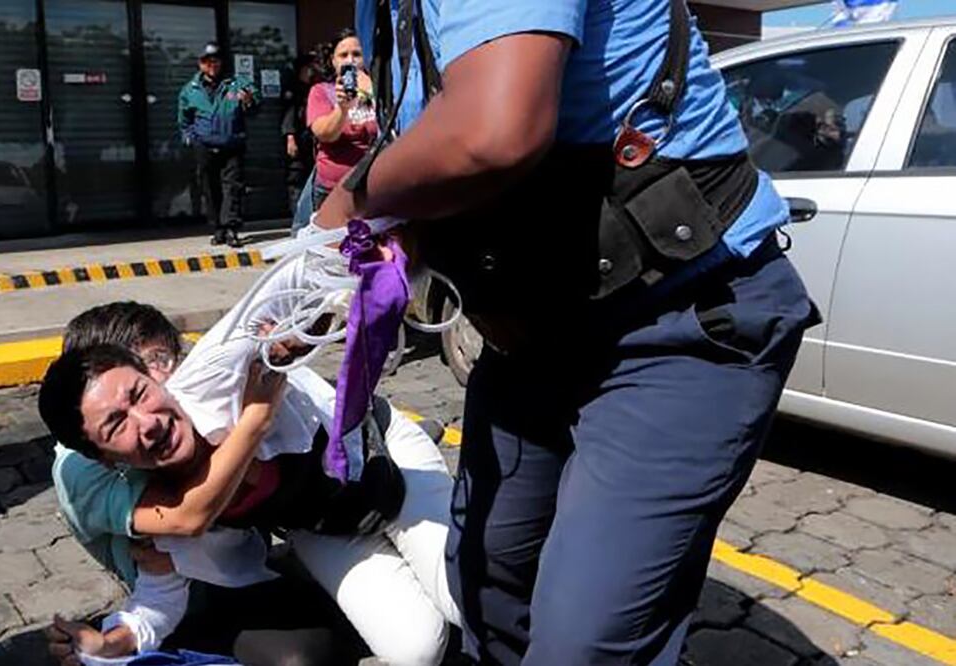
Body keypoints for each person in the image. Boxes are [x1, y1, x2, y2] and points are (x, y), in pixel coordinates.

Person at [315, 0, 821, 664]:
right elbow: (432, 147)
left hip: (674, 320)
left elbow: (490, 132)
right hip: (530, 335)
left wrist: (345, 207)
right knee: (487, 586)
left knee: (584, 645)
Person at [42, 297, 459, 665]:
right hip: (324, 525)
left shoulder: (227, 377)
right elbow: (161, 591)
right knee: (416, 650)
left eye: (159, 365)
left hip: (384, 462)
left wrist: (293, 336)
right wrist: (109, 643)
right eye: (116, 423)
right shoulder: (160, 500)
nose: (148, 420)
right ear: (106, 456)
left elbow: (296, 293)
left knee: (460, 595)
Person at [179, 42, 258, 248]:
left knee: (232, 187)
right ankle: (218, 228)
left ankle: (231, 228)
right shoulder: (190, 89)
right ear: (200, 64)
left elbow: (256, 108)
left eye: (215, 60)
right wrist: (190, 137)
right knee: (210, 186)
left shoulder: (237, 83)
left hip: (232, 143)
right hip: (204, 146)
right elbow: (184, 119)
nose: (212, 65)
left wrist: (249, 101)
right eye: (207, 61)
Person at [307, 29, 379, 211]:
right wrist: (342, 108)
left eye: (356, 54)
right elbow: (325, 134)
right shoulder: (321, 91)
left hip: (373, 187)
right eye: (343, 55)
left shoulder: (377, 89)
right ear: (333, 60)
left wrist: (372, 92)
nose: (350, 60)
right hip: (332, 188)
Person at [282, 52, 320, 220]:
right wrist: (290, 137)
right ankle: (298, 218)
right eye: (308, 69)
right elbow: (288, 115)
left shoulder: (313, 89)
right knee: (296, 179)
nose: (311, 72)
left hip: (311, 142)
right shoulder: (293, 90)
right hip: (297, 140)